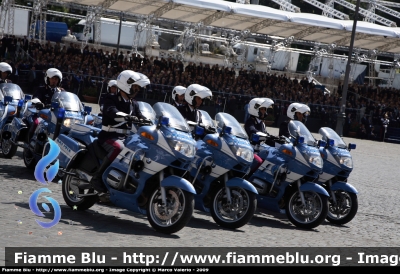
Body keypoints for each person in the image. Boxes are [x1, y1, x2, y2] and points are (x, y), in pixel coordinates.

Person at [89, 70, 149, 200]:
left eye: (138, 87)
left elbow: (140, 117)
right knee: (119, 148)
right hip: (108, 136)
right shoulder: (110, 98)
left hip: (126, 137)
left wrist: (150, 122)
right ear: (126, 85)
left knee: (140, 150)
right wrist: (125, 116)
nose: (137, 90)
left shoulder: (134, 103)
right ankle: (97, 178)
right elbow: (111, 111)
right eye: (135, 87)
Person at [28, 68, 63, 140]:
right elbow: (36, 97)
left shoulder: (61, 92)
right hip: (42, 114)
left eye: (56, 79)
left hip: (55, 115)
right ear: (47, 79)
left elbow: (66, 101)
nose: (54, 81)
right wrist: (39, 103)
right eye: (52, 78)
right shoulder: (41, 89)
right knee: (36, 123)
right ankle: (29, 141)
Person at [244, 98, 274, 174]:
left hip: (259, 151)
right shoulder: (250, 121)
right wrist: (264, 135)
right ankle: (248, 176)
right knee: (259, 161)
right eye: (262, 109)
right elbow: (252, 130)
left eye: (265, 110)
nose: (264, 112)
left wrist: (278, 141)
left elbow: (267, 138)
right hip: (249, 151)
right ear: (255, 110)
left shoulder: (262, 123)